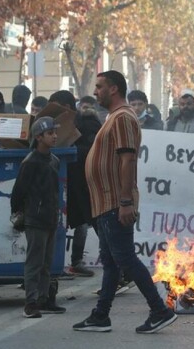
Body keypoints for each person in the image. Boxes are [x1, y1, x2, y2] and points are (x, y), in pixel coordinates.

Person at [72, 70, 177, 334]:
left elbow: (127, 159)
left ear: (114, 89)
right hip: (106, 202)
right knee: (111, 261)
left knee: (126, 259)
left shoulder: (122, 118)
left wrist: (126, 201)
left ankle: (159, 310)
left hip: (116, 201)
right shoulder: (113, 118)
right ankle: (101, 316)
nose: (95, 92)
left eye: (99, 86)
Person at [12, 116, 67, 318]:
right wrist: (19, 214)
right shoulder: (31, 162)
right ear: (38, 137)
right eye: (50, 133)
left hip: (50, 218)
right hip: (35, 219)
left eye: (55, 132)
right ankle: (31, 302)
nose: (54, 136)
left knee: (46, 263)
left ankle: (44, 299)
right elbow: (19, 192)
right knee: (34, 262)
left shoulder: (54, 160)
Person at [48, 90, 100, 277]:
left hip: (81, 181)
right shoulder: (50, 125)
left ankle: (77, 260)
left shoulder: (86, 123)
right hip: (60, 179)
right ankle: (52, 264)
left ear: (67, 108)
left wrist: (70, 148)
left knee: (84, 222)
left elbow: (94, 150)